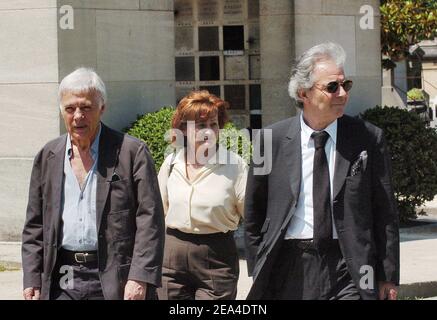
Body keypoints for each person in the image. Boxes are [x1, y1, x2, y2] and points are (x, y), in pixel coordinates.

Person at [244, 42, 400, 300]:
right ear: (303, 93)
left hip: (350, 265)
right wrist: (257, 265)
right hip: (289, 263)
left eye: (345, 85)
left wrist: (387, 275)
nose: (342, 93)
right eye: (331, 87)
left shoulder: (368, 138)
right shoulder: (269, 140)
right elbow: (254, 211)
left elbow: (384, 211)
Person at [22, 68, 165, 300]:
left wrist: (140, 276)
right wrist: (32, 277)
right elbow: (34, 224)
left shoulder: (132, 152)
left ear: (102, 108)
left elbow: (150, 219)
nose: (78, 116)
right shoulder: (48, 156)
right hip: (61, 277)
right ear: (62, 112)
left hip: (114, 276)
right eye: (70, 109)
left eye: (86, 107)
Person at [157, 90, 248, 300]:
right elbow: (157, 212)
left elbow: (251, 214)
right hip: (171, 255)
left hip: (217, 256)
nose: (209, 131)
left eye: (213, 124)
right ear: (184, 129)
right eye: (200, 126)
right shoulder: (171, 163)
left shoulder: (235, 165)